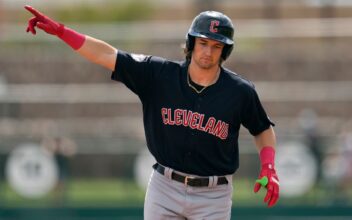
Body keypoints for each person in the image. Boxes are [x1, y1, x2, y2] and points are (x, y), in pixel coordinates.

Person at [25, 5, 280, 219]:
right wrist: (61, 32)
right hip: (165, 187)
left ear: (225, 50)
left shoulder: (240, 91)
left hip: (213, 195)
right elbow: (107, 55)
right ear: (192, 42)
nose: (208, 51)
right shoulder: (158, 75)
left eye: (216, 45)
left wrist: (268, 166)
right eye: (203, 43)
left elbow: (262, 129)